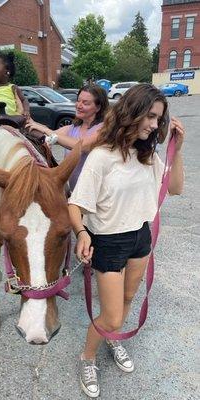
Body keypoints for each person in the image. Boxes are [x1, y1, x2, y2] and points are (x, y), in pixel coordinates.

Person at [68, 83, 185, 398]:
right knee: (112, 314)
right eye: (149, 116)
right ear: (131, 111)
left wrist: (177, 148)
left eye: (158, 119)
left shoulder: (147, 156)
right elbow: (75, 205)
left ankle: (113, 337)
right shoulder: (102, 157)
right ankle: (87, 357)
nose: (153, 125)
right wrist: (81, 233)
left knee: (129, 297)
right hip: (108, 241)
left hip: (140, 237)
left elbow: (174, 188)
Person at [26, 84, 109, 191]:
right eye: (78, 101)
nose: (79, 105)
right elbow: (49, 136)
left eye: (85, 103)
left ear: (98, 107)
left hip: (97, 194)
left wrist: (47, 130)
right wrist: (32, 123)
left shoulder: (103, 128)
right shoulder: (73, 128)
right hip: (76, 192)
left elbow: (81, 146)